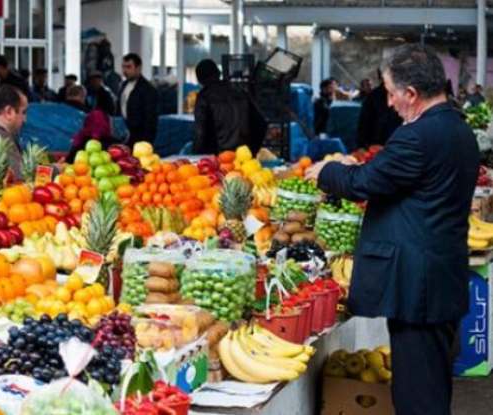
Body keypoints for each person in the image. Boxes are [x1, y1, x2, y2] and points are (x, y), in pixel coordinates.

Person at [305, 44, 479, 415]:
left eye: (391, 92)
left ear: (412, 94)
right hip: (439, 281)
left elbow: (364, 183)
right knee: (431, 386)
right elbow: (396, 180)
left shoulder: (418, 136)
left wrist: (329, 172)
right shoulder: (455, 127)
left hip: (419, 290)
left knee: (418, 398)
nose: (388, 103)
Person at [192, 59, 267, 156]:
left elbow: (200, 135)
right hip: (244, 158)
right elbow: (261, 124)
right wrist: (252, 150)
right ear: (219, 73)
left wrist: (197, 158)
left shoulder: (204, 98)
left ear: (200, 80)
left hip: (218, 161)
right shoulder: (240, 92)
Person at [118, 53, 159, 146]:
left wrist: (146, 142)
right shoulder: (123, 85)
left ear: (138, 68)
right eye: (123, 67)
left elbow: (151, 119)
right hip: (123, 134)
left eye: (128, 67)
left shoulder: (148, 89)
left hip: (139, 136)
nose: (125, 70)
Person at [355, 70, 403, 149]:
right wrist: (362, 145)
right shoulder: (372, 97)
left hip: (399, 144)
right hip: (376, 146)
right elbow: (363, 123)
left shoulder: (403, 94)